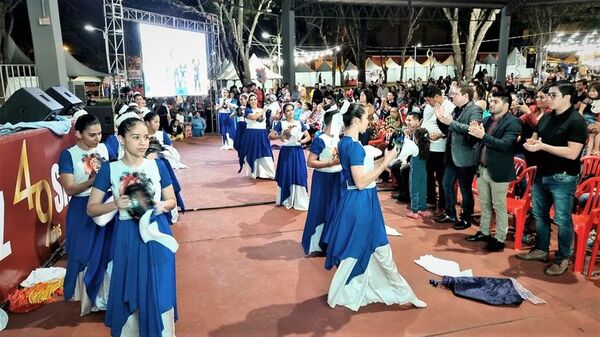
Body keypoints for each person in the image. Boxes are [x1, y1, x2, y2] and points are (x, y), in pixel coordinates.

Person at [322, 103, 426, 311]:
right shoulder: (352, 146)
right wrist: (386, 161)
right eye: (366, 118)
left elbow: (361, 174)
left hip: (360, 201)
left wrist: (384, 160)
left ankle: (398, 292)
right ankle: (403, 293)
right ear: (357, 121)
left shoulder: (346, 143)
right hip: (361, 202)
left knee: (370, 250)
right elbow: (361, 181)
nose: (369, 122)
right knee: (378, 250)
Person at [87, 117, 178, 336]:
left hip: (157, 232)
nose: (142, 143)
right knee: (130, 284)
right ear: (121, 138)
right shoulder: (109, 169)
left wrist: (161, 205)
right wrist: (116, 204)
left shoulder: (157, 165)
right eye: (135, 137)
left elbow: (172, 200)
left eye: (145, 137)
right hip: (127, 235)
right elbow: (91, 208)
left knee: (159, 286)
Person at [518, 81, 587, 276]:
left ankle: (563, 257)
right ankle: (541, 249)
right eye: (548, 94)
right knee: (539, 214)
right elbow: (536, 136)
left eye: (553, 95)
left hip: (563, 176)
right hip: (542, 172)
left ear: (567, 97)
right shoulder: (546, 117)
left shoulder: (576, 121)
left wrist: (542, 147)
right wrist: (532, 143)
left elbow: (573, 153)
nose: (549, 98)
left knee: (562, 219)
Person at [59, 114, 111, 315]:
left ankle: (104, 298)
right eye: (92, 135)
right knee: (83, 253)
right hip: (81, 209)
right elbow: (70, 189)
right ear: (78, 134)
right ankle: (87, 301)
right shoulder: (68, 155)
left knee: (105, 252)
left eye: (99, 133)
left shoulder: (104, 148)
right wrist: (93, 181)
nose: (97, 138)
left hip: (105, 206)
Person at [465, 92, 522, 252]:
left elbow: (505, 145)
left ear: (506, 105)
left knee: (499, 206)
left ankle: (499, 238)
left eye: (495, 101)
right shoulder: (487, 119)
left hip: (499, 170)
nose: (491, 104)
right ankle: (484, 231)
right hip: (482, 167)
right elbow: (477, 139)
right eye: (490, 101)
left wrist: (482, 135)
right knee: (484, 204)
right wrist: (474, 132)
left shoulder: (513, 122)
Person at [434, 84, 483, 230]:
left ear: (465, 96)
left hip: (466, 157)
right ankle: (450, 213)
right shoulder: (457, 110)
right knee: (446, 184)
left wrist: (450, 122)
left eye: (454, 93)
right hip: (451, 155)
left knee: (465, 189)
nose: (451, 96)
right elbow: (448, 129)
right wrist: (440, 119)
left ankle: (466, 218)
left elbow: (472, 131)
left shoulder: (475, 110)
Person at [302, 109, 344, 255]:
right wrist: (330, 163)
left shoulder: (339, 139)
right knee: (322, 209)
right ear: (328, 123)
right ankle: (319, 243)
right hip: (323, 179)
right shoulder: (321, 139)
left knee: (337, 210)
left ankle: (333, 242)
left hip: (338, 178)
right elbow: (310, 162)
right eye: (336, 122)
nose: (339, 125)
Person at [270, 103, 311, 210]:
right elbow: (270, 136)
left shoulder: (300, 123)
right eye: (288, 110)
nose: (290, 112)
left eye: (292, 110)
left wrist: (300, 141)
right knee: (286, 173)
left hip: (297, 151)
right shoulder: (281, 123)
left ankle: (299, 198)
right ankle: (286, 197)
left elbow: (308, 137)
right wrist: (281, 136)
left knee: (299, 173)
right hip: (286, 151)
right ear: (284, 113)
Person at [422, 85, 454, 216]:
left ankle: (442, 204)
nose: (428, 103)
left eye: (429, 100)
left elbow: (451, 128)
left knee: (441, 177)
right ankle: (431, 199)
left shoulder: (450, 107)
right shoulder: (429, 107)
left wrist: (441, 135)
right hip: (427, 145)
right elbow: (426, 121)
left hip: (441, 147)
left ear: (436, 96)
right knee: (428, 173)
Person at [241, 93, 276, 179]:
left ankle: (270, 173)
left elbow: (270, 119)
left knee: (266, 152)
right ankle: (255, 172)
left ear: (257, 100)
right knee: (253, 153)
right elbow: (253, 117)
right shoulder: (247, 110)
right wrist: (263, 111)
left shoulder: (262, 109)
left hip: (262, 134)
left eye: (254, 99)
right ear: (249, 101)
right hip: (251, 134)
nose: (253, 101)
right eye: (251, 100)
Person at [406, 128, 431, 219]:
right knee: (423, 190)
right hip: (423, 172)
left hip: (415, 172)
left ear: (416, 138)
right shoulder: (426, 147)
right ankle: (423, 210)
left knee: (414, 190)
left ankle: (415, 211)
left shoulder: (415, 148)